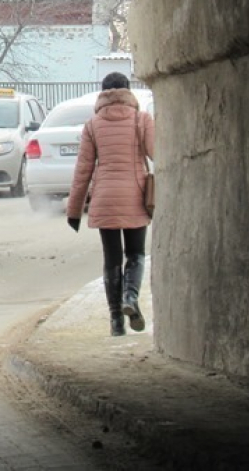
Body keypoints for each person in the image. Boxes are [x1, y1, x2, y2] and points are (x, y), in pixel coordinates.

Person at [66, 72, 155, 337]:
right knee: (136, 254)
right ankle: (130, 297)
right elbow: (158, 152)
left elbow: (83, 170)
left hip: (104, 198)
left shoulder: (92, 125)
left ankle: (116, 320)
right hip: (134, 198)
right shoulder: (142, 120)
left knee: (112, 259)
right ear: (129, 91)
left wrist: (74, 210)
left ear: (102, 93)